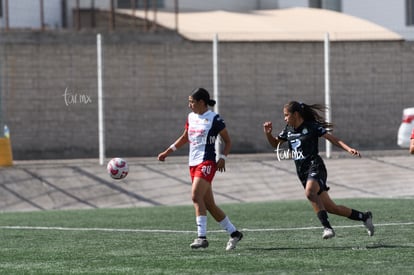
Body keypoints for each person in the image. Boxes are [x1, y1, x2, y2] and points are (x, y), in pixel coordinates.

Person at [263, 101, 374, 239]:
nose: (285, 118)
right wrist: (268, 134)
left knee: (309, 192)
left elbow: (333, 139)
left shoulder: (312, 127)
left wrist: (348, 149)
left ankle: (327, 228)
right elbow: (275, 143)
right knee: (332, 208)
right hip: (302, 173)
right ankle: (364, 217)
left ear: (296, 114)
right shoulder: (288, 130)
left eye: (286, 115)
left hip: (316, 166)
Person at [158, 87, 243, 250]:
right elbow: (184, 137)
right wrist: (167, 152)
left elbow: (228, 141)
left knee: (196, 196)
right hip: (193, 164)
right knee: (209, 204)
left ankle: (201, 237)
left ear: (201, 102)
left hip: (207, 163)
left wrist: (223, 158)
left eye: (192, 102)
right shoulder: (191, 117)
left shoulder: (214, 118)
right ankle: (234, 233)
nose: (189, 105)